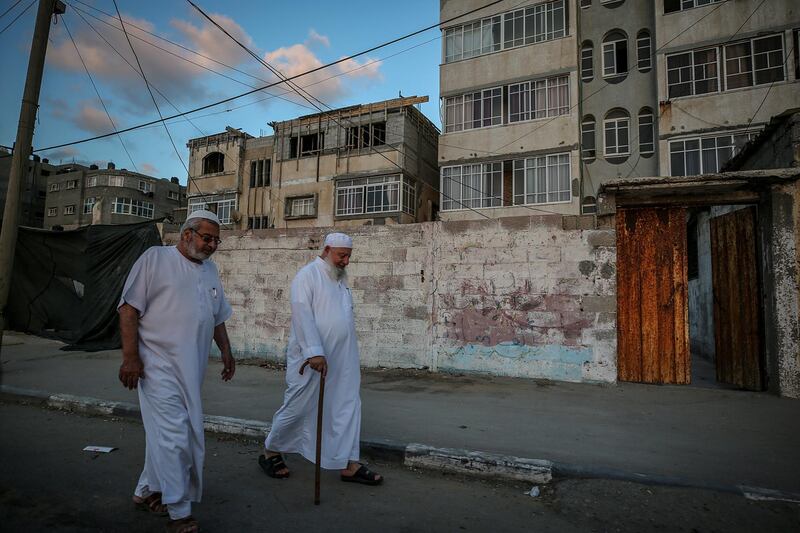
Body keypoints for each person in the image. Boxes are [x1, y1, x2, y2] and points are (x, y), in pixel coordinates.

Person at [118, 209, 235, 533]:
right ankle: (179, 511)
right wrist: (130, 358)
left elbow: (217, 315)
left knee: (164, 432)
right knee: (175, 434)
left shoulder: (210, 271)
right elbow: (128, 308)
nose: (212, 245)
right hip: (156, 366)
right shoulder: (155, 259)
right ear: (187, 234)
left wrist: (225, 350)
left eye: (216, 240)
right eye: (206, 238)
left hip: (191, 370)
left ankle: (146, 490)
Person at [259, 232, 382, 485]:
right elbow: (302, 314)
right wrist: (314, 352)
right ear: (327, 250)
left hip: (343, 358)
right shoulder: (307, 276)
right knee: (298, 405)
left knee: (347, 404)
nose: (346, 261)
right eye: (341, 255)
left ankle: (349, 462)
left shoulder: (340, 280)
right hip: (312, 358)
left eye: (348, 256)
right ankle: (271, 450)